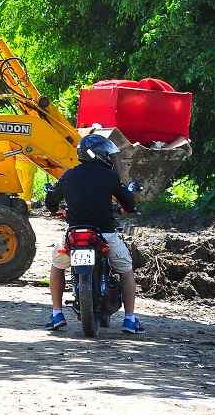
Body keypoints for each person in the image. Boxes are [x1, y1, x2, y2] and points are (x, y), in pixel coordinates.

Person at [44, 134, 143, 334]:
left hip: (73, 234)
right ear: (99, 154)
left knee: (57, 266)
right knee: (125, 268)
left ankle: (56, 314)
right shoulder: (110, 176)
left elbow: (51, 201)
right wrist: (127, 206)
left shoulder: (69, 175)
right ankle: (130, 320)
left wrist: (56, 208)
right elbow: (129, 204)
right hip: (105, 234)